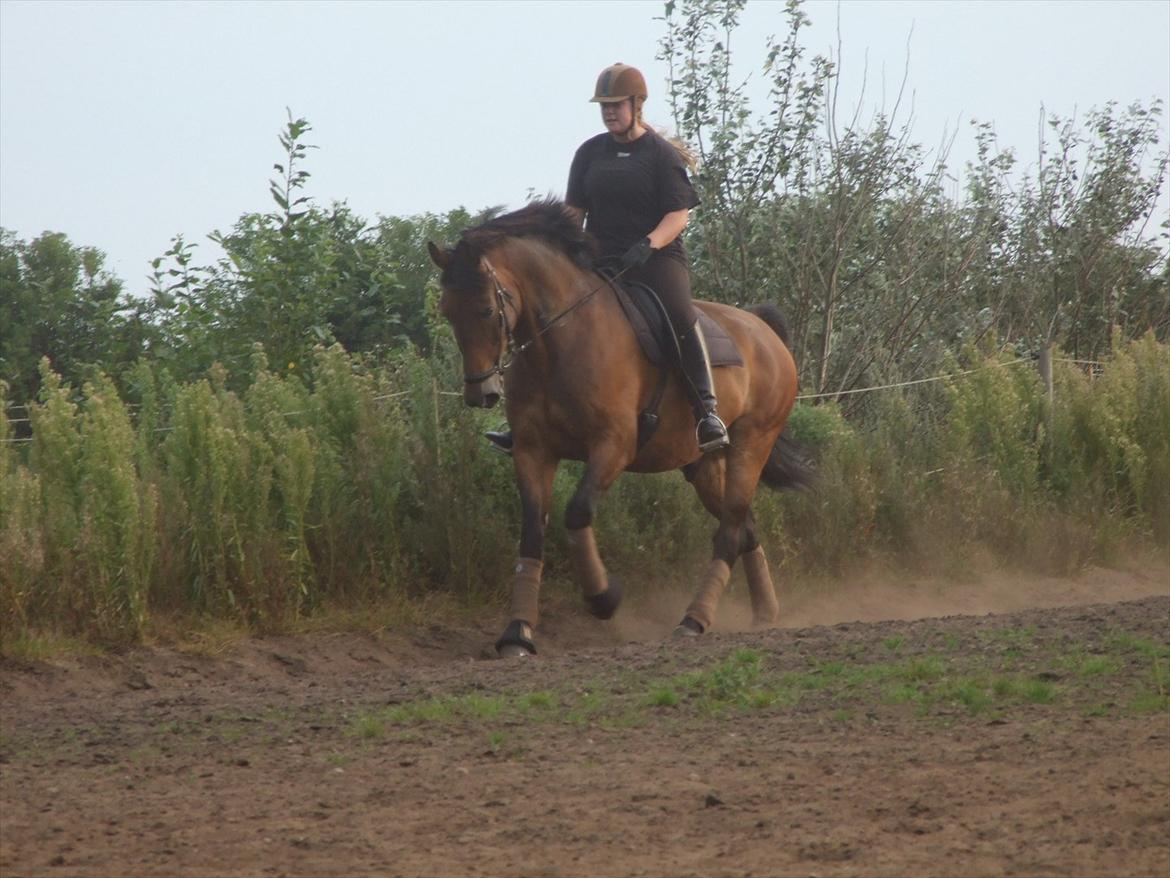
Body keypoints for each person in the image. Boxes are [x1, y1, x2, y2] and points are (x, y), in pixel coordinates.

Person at [487, 62, 729, 455]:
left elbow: (678, 215)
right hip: (600, 259)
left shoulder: (660, 155)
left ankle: (707, 411)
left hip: (656, 259)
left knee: (680, 315)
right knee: (546, 317)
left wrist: (648, 244)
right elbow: (573, 213)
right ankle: (525, 419)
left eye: (616, 104)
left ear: (637, 104)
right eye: (604, 106)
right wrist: (563, 253)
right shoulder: (589, 153)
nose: (609, 112)